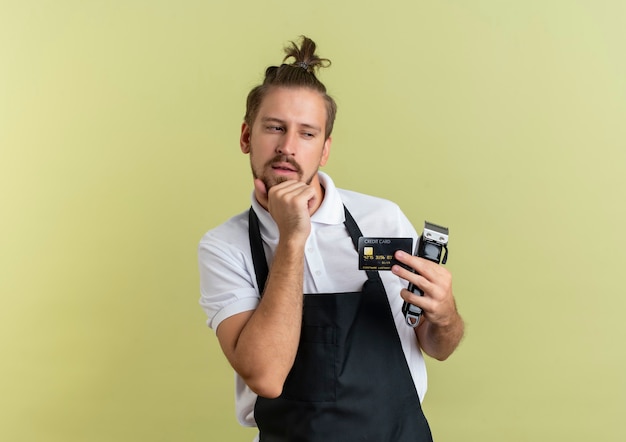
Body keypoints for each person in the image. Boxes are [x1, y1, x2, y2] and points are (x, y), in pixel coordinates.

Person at [198, 35, 464, 442]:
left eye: (307, 134)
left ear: (324, 150)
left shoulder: (383, 219)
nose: (287, 147)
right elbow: (266, 377)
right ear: (246, 137)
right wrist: (292, 239)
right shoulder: (225, 247)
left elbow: (438, 346)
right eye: (275, 128)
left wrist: (445, 316)